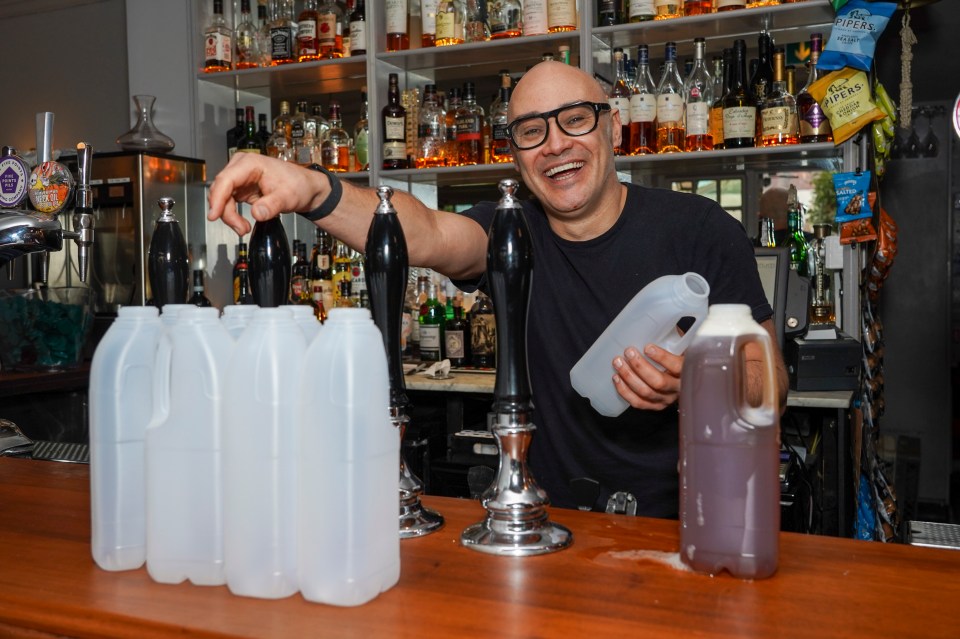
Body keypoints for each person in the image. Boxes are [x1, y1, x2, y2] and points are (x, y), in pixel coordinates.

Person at [208, 61, 789, 517]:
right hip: (555, 520)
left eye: (576, 119)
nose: (556, 145)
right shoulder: (513, 233)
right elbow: (426, 231)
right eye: (532, 132)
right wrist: (313, 190)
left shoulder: (699, 229)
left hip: (686, 519)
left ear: (612, 125)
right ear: (515, 154)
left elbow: (772, 384)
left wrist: (699, 382)